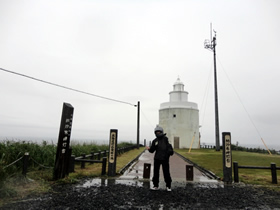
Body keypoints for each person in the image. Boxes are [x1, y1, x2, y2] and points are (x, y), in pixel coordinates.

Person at [146, 126, 174, 191]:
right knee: (155, 173)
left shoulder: (165, 139)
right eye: (156, 132)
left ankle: (168, 186)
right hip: (157, 159)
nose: (158, 133)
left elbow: (170, 148)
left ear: (162, 132)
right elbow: (152, 150)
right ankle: (155, 185)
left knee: (166, 172)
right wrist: (149, 149)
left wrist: (169, 152)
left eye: (159, 132)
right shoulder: (155, 141)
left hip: (165, 159)